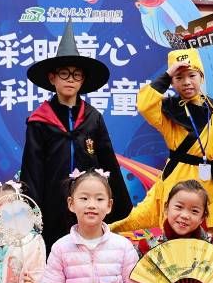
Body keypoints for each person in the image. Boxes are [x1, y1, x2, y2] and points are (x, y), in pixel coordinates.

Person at [112, 48, 213, 235]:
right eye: (179, 77)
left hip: (210, 182)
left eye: (192, 75)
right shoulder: (167, 110)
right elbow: (144, 104)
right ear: (172, 82)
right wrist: (166, 75)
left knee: (210, 236)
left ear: (202, 77)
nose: (187, 82)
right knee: (174, 228)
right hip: (179, 177)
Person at [20, 20, 131, 251]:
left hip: (87, 202)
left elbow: (108, 161)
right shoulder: (40, 120)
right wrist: (32, 212)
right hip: (52, 203)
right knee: (54, 252)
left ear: (83, 80)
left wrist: (120, 206)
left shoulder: (93, 117)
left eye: (76, 75)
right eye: (64, 73)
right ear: (52, 78)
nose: (70, 79)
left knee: (89, 251)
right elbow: (32, 169)